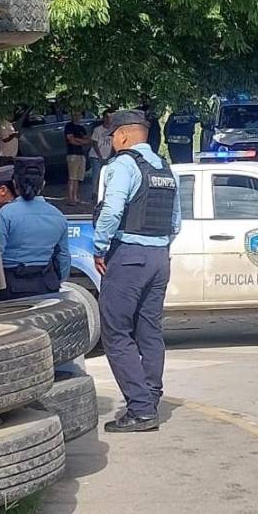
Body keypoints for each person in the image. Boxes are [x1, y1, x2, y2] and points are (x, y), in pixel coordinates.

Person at [93, 110, 181, 433]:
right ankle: (150, 398)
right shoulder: (164, 168)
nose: (111, 141)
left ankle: (141, 409)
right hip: (159, 257)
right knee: (149, 331)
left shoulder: (123, 166)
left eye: (113, 135)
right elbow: (175, 223)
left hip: (128, 257)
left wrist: (99, 248)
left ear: (124, 136)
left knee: (115, 333)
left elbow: (113, 209)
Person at [0, 158, 71, 301]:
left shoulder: (5, 214)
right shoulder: (58, 216)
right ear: (43, 184)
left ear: (15, 183)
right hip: (47, 287)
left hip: (11, 288)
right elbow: (63, 258)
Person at [64, 111, 90, 206]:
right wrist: (81, 141)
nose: (77, 117)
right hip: (72, 154)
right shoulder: (69, 126)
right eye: (75, 115)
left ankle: (75, 197)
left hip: (81, 154)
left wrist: (77, 140)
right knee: (72, 177)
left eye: (78, 115)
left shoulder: (81, 128)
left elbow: (87, 140)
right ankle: (71, 199)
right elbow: (71, 140)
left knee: (78, 178)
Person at [88, 109, 114, 194]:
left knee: (107, 176)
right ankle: (94, 193)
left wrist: (110, 156)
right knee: (96, 175)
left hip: (107, 156)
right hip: (96, 156)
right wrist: (100, 156)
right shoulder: (98, 130)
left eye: (110, 117)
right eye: (107, 117)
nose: (108, 119)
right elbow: (94, 143)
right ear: (104, 118)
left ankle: (104, 193)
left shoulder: (113, 130)